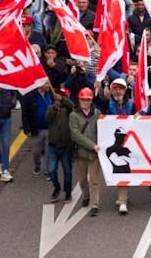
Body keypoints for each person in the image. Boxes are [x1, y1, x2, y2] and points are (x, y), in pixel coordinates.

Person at [70, 87, 102, 216]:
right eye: (83, 100)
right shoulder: (73, 115)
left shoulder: (97, 113)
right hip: (81, 152)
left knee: (94, 180)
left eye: (88, 100)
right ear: (79, 100)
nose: (85, 102)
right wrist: (92, 145)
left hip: (94, 153)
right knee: (82, 179)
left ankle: (94, 203)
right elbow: (76, 135)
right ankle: (86, 195)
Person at [45, 88, 74, 202]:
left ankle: (68, 192)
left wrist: (62, 100)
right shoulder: (50, 108)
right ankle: (57, 188)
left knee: (67, 171)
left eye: (61, 96)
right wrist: (54, 109)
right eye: (56, 96)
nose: (58, 99)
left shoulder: (68, 110)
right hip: (53, 146)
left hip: (66, 146)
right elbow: (47, 118)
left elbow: (72, 106)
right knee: (51, 170)